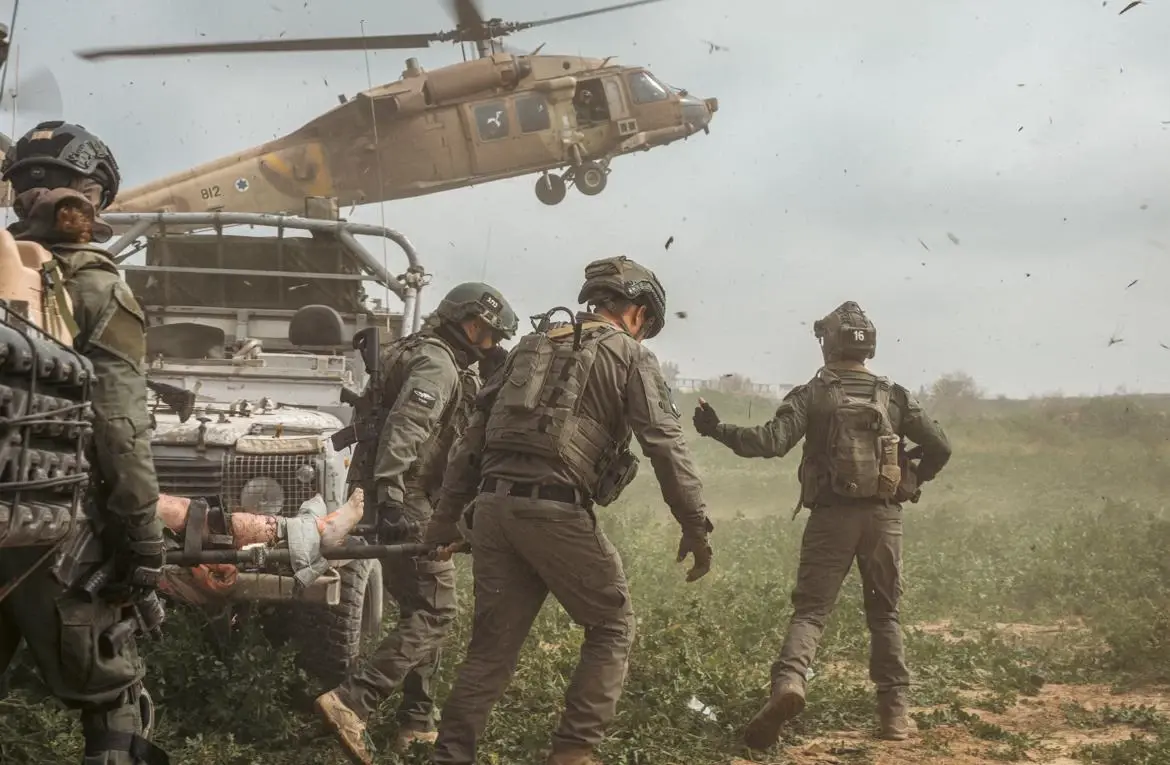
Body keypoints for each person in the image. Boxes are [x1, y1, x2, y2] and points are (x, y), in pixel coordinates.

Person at [424, 255, 716, 765]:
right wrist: (695, 524)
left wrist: (446, 519)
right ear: (639, 313)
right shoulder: (629, 355)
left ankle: (450, 756)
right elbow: (665, 445)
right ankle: (573, 753)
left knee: (489, 652)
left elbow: (471, 439)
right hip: (554, 511)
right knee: (612, 625)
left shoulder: (530, 346)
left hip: (492, 509)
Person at [691, 301, 952, 749]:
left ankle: (790, 684)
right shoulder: (894, 395)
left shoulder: (812, 393)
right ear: (868, 346)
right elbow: (941, 447)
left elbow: (770, 442)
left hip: (831, 517)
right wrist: (910, 480)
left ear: (828, 344)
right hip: (884, 517)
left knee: (811, 612)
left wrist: (717, 428)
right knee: (885, 614)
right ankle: (894, 715)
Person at [0, 121, 170, 764]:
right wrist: (143, 541)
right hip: (50, 529)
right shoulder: (96, 284)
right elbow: (120, 429)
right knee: (113, 697)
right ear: (91, 194)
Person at [314, 282, 519, 765]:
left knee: (421, 604)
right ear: (473, 324)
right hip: (405, 495)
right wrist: (390, 497)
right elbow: (406, 428)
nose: (492, 344)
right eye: (491, 334)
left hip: (396, 493)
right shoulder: (437, 364)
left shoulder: (419, 350)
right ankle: (352, 702)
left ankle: (417, 722)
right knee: (436, 609)